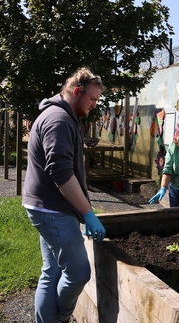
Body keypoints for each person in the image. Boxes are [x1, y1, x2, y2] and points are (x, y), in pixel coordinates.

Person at [22, 67, 106, 323]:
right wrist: (88, 213)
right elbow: (61, 174)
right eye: (92, 99)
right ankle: (62, 316)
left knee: (53, 270)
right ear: (76, 91)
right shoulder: (58, 120)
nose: (94, 105)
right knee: (79, 272)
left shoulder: (66, 116)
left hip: (48, 206)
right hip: (52, 210)